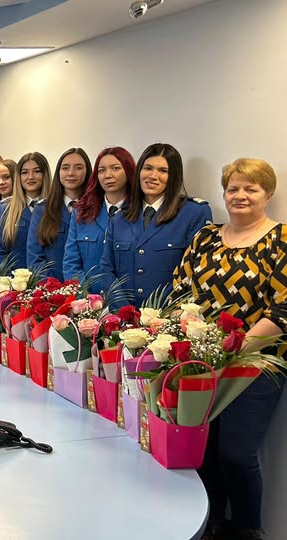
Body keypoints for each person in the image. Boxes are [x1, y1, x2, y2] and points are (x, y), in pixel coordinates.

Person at [168, 158, 287, 540]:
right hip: (200, 361)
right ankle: (212, 523)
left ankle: (248, 529)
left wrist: (235, 351)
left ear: (268, 193)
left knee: (236, 453)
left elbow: (283, 309)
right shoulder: (205, 237)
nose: (240, 195)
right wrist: (192, 341)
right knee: (200, 449)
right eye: (233, 188)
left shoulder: (282, 239)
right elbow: (180, 290)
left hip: (256, 364)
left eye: (251, 188)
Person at [98, 143, 212, 304]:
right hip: (124, 314)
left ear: (174, 177)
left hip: (169, 313)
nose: (153, 176)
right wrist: (124, 310)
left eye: (163, 171)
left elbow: (195, 271)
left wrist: (163, 313)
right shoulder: (119, 219)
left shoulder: (193, 213)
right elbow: (106, 269)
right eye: (148, 168)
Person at [63, 147, 136, 287]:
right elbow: (71, 263)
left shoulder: (139, 212)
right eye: (101, 170)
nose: (108, 175)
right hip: (88, 297)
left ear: (128, 170)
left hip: (126, 297)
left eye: (115, 168)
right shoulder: (81, 212)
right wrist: (85, 297)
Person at [28, 148, 91, 279]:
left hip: (88, 288)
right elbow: (35, 258)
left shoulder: (97, 209)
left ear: (88, 171)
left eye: (78, 168)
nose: (71, 173)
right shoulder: (42, 209)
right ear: (58, 172)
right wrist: (52, 287)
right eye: (65, 168)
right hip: (51, 287)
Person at [0, 152, 52, 268]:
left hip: (50, 278)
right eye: (24, 172)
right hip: (13, 278)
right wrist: (12, 278)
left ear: (45, 174)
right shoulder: (5, 208)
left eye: (37, 171)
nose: (30, 177)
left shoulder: (56, 209)